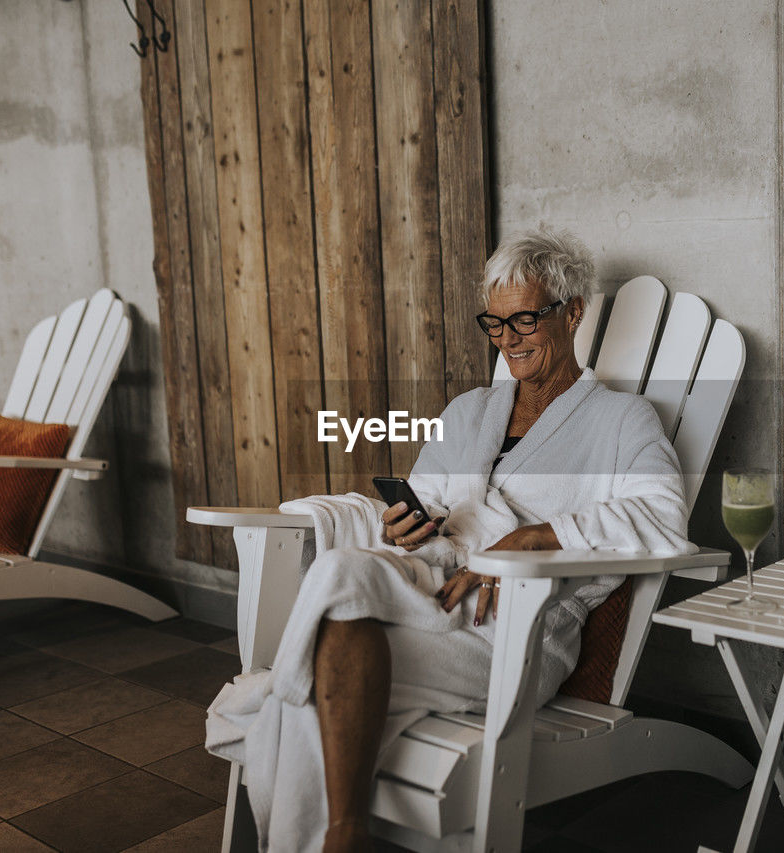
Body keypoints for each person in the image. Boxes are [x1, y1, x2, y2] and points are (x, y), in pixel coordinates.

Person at [206, 227, 695, 853]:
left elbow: (662, 517)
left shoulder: (623, 421)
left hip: (516, 623)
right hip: (429, 590)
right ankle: (344, 835)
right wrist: (403, 527)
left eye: (523, 320)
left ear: (573, 313)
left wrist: (531, 540)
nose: (508, 340)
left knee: (305, 690)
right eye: (494, 325)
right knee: (343, 573)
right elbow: (429, 503)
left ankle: (331, 820)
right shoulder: (469, 412)